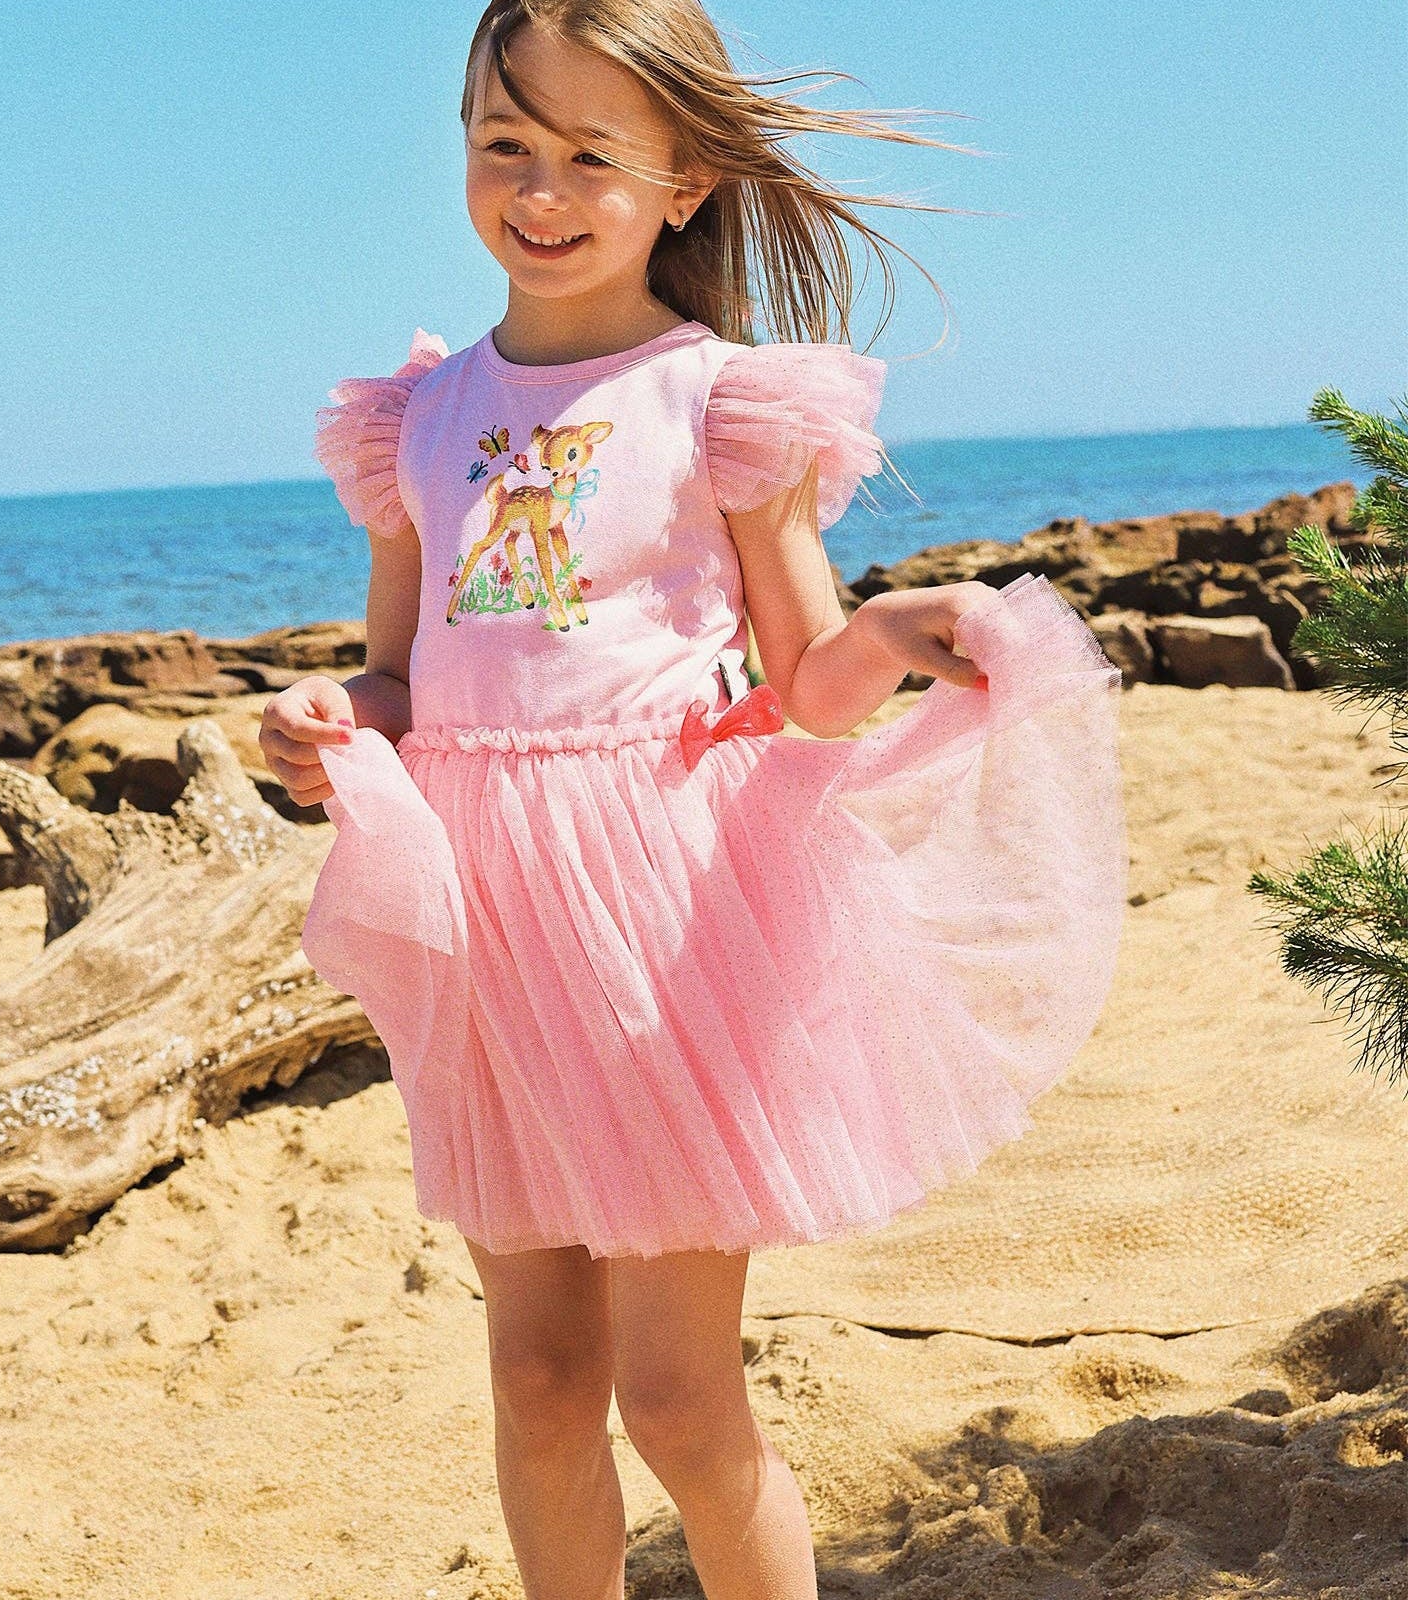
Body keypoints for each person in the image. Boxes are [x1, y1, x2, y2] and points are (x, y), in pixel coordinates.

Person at [260, 2, 1127, 1594]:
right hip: (482, 914)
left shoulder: (720, 400)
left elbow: (799, 682)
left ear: (686, 181)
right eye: (506, 145)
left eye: (592, 156)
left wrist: (891, 632)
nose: (542, 191)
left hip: (665, 918)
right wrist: (332, 715)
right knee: (536, 1376)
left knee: (675, 1398)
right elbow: (401, 672)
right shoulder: (415, 420)